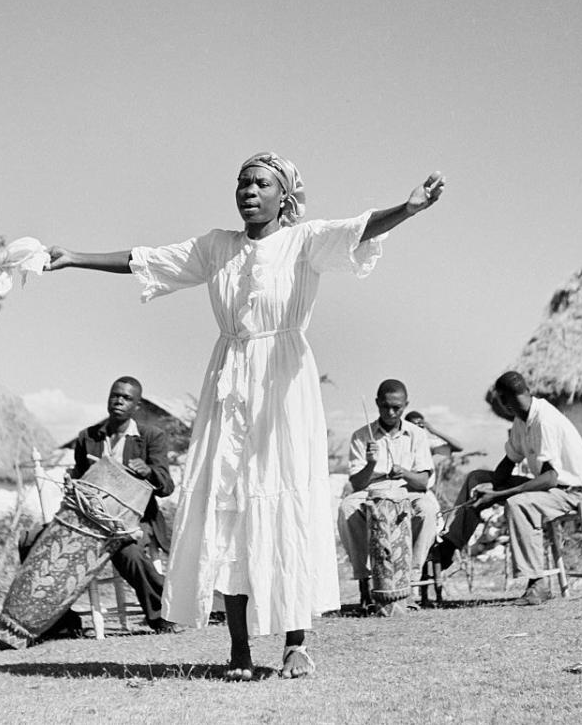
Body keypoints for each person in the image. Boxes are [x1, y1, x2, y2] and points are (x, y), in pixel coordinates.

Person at [47, 152, 445, 679]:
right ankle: (238, 649)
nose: (248, 191)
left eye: (260, 183)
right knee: (228, 508)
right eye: (241, 183)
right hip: (229, 383)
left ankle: (296, 643)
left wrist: (409, 208)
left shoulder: (303, 241)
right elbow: (146, 260)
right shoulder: (217, 247)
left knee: (285, 503)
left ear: (285, 197)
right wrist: (74, 256)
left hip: (284, 384)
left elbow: (359, 228)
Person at [430, 371, 582, 605]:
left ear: (503, 401)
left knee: (519, 503)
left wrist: (499, 494)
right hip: (550, 488)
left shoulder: (544, 420)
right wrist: (488, 488)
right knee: (476, 478)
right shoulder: (521, 418)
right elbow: (509, 461)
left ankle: (537, 584)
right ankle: (447, 549)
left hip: (572, 492)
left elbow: (549, 478)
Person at [72, 375, 180, 634]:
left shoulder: (150, 436)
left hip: (136, 519)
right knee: (32, 540)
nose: (119, 401)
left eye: (126, 398)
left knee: (126, 552)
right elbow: (79, 478)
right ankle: (61, 622)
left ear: (137, 406)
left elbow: (166, 486)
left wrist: (149, 472)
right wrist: (71, 481)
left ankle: (162, 612)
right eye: (115, 395)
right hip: (93, 520)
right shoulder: (89, 436)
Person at [337, 380, 440, 609]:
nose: (391, 412)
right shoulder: (361, 435)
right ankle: (366, 580)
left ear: (406, 405)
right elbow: (357, 484)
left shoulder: (416, 434)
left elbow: (422, 482)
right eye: (385, 407)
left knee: (428, 509)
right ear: (377, 404)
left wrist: (403, 471)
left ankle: (410, 582)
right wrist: (371, 463)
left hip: (407, 490)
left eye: (397, 407)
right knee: (348, 508)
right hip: (372, 490)